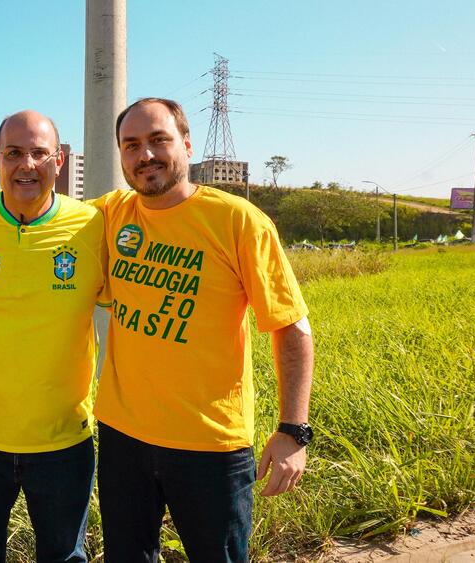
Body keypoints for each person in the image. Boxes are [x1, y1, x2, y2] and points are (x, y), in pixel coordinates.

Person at [92, 98, 315, 562]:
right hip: (123, 436)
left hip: (210, 443)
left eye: (158, 140)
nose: (145, 155)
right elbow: (41, 213)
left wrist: (293, 431)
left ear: (187, 145)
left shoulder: (238, 221)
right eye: (131, 145)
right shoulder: (110, 214)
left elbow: (291, 327)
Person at [0, 111, 106, 562]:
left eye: (39, 153)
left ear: (58, 160)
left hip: (64, 443)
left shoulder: (94, 226)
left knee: (64, 557)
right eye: (14, 153)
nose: (27, 165)